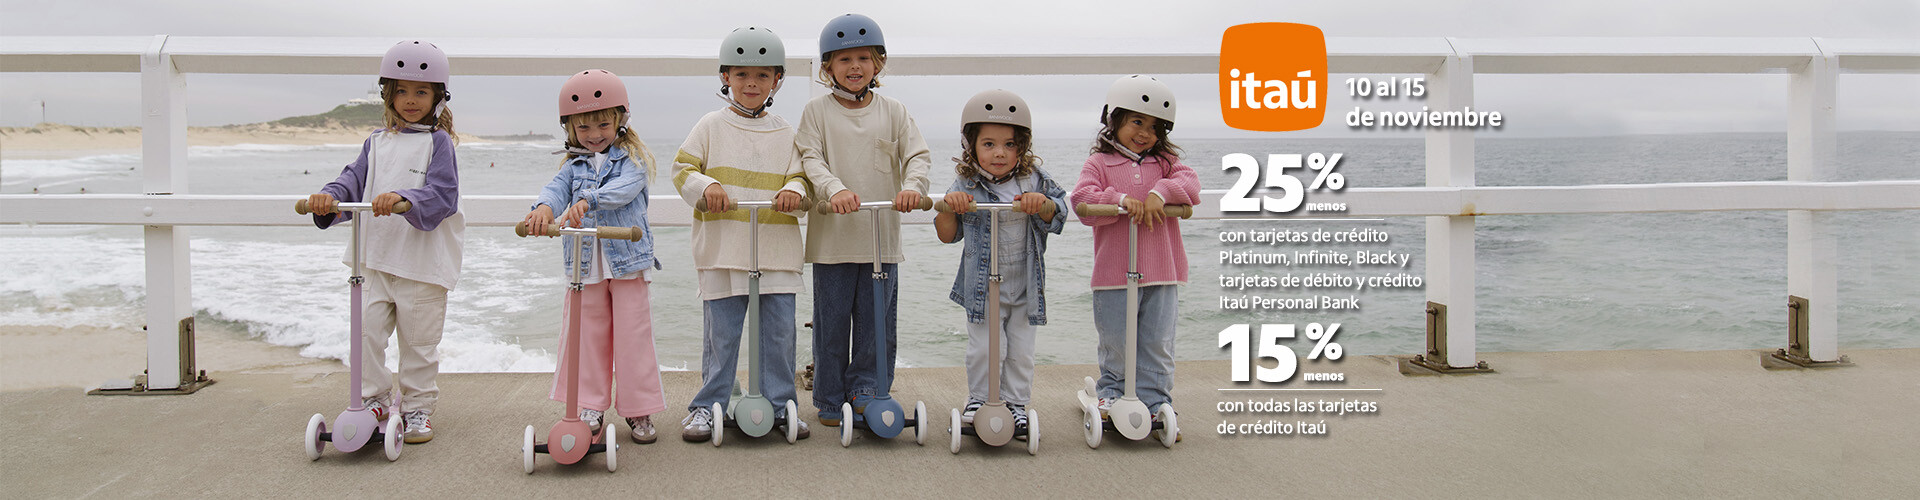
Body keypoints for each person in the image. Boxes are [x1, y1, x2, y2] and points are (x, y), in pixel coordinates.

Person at [306, 39, 465, 444]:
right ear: (387, 94)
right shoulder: (376, 142)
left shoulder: (437, 143)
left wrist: (405, 198)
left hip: (420, 266)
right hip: (374, 261)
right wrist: (329, 198)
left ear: (437, 98)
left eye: (420, 92)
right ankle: (374, 398)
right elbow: (351, 180)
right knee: (366, 333)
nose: (410, 100)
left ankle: (417, 408)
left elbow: (444, 194)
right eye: (401, 91)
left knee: (419, 342)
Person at [671, 26, 810, 441]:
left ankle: (781, 404)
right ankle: (707, 406)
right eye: (743, 75)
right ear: (726, 77)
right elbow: (683, 170)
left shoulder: (786, 132)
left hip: (776, 250)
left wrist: (792, 190)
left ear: (776, 81)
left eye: (763, 76)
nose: (752, 84)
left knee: (779, 336)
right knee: (722, 337)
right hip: (723, 249)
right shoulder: (710, 125)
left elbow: (803, 180)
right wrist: (706, 187)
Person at [794, 13, 933, 426]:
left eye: (863, 58)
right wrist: (833, 188)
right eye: (843, 60)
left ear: (878, 63)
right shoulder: (816, 112)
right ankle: (831, 399)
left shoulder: (894, 111)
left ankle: (868, 391)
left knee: (877, 322)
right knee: (831, 322)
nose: (854, 67)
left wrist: (913, 186)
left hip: (880, 239)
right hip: (834, 239)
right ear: (827, 68)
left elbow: (918, 156)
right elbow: (810, 157)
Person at [522, 69, 666, 444]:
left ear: (620, 120)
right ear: (569, 128)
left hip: (628, 261)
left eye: (603, 123)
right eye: (583, 127)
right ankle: (589, 405)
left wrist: (589, 199)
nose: (594, 133)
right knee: (585, 336)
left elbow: (624, 190)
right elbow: (554, 191)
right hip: (584, 268)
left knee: (633, 337)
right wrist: (542, 209)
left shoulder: (633, 160)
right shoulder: (573, 167)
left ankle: (638, 408)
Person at [1071, 75, 1201, 442]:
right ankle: (1111, 391)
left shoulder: (1167, 163)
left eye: (1155, 126)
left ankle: (1156, 399)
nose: (1145, 133)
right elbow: (1083, 201)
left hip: (1162, 270)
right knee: (1116, 339)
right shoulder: (1099, 162)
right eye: (1137, 122)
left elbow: (1191, 185)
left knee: (1157, 341)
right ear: (1114, 121)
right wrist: (1118, 200)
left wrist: (1161, 191)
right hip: (1114, 273)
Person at [932, 90, 1066, 440]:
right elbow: (947, 235)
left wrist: (1043, 203)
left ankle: (1016, 404)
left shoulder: (1034, 178)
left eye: (1009, 144)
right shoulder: (966, 184)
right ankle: (978, 399)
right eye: (989, 144)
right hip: (982, 288)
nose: (999, 153)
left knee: (1020, 351)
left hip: (1024, 286)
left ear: (1022, 146)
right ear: (971, 145)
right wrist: (949, 206)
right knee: (985, 349)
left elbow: (1060, 212)